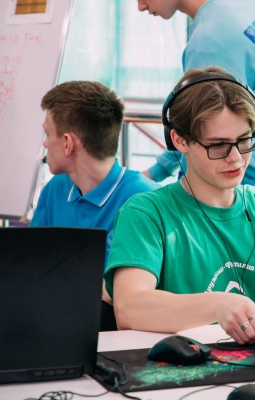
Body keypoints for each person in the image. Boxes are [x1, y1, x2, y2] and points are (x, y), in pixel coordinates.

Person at [105, 67, 255, 344]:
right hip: (186, 367)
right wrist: (218, 305)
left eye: (244, 140)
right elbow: (129, 308)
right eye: (218, 145)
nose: (235, 158)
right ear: (179, 140)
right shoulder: (146, 213)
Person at [136, 0, 255, 317]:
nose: (141, 6)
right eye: (220, 145)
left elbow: (202, 122)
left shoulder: (210, 39)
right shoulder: (238, 7)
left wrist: (160, 177)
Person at [30, 80, 161, 304]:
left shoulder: (147, 201)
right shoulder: (54, 190)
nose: (44, 143)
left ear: (67, 143)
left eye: (47, 134)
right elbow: (32, 268)